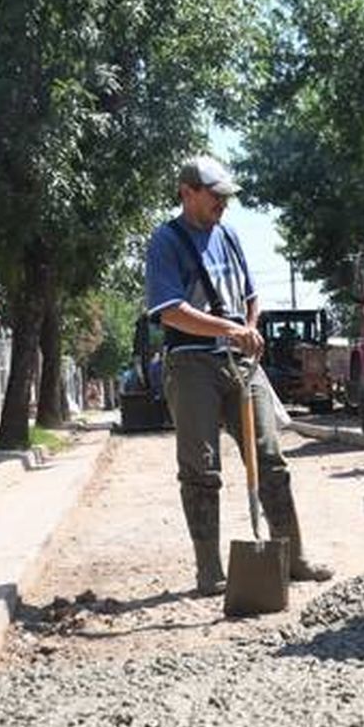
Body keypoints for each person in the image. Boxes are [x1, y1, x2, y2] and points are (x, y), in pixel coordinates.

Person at [144, 155, 332, 594]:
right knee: (201, 470)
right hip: (192, 364)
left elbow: (251, 295)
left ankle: (294, 556)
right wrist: (229, 329)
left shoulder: (228, 235)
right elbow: (171, 311)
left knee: (270, 460)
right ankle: (209, 570)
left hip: (242, 364)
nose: (223, 204)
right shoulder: (165, 242)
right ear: (187, 193)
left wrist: (247, 327)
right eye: (215, 196)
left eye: (226, 197)